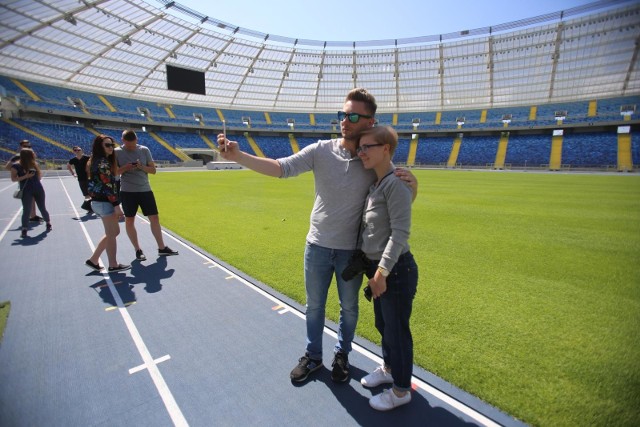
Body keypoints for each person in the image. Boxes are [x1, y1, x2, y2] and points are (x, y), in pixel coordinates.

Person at [216, 88, 418, 384]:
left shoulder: (370, 158)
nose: (344, 121)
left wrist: (414, 186)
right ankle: (313, 356)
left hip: (351, 252)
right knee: (314, 307)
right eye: (342, 114)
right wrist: (239, 156)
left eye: (352, 116)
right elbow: (282, 168)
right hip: (317, 247)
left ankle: (342, 354)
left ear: (370, 121)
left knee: (348, 308)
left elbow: (393, 197)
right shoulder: (321, 150)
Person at [355, 126, 418, 411]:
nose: (362, 152)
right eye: (360, 147)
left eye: (368, 146)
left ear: (386, 149)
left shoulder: (396, 183)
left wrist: (381, 274)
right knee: (384, 325)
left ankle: (402, 391)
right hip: (378, 270)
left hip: (395, 270)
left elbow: (400, 233)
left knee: (397, 331)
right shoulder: (377, 185)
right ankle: (390, 369)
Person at [115, 129, 178, 261]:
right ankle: (138, 250)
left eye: (134, 144)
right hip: (127, 191)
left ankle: (162, 248)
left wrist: (141, 166)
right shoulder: (117, 152)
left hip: (145, 190)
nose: (132, 147)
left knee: (154, 218)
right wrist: (126, 167)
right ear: (123, 141)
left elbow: (153, 170)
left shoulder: (144, 150)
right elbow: (114, 172)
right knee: (130, 220)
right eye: (129, 145)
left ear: (137, 140)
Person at [85, 134, 130, 273]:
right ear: (100, 146)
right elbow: (107, 186)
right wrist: (117, 206)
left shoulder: (96, 161)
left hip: (100, 201)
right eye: (107, 145)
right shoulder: (102, 163)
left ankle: (94, 259)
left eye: (112, 145)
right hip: (105, 201)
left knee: (114, 232)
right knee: (112, 233)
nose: (111, 147)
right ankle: (113, 264)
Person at [10, 148, 51, 238]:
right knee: (27, 210)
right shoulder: (16, 166)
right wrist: (26, 176)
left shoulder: (34, 164)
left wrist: (34, 175)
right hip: (26, 190)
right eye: (33, 153)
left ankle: (48, 222)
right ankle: (24, 229)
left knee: (42, 208)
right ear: (28, 155)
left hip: (38, 189)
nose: (35, 154)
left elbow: (39, 177)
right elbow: (13, 179)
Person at [5, 139, 42, 222]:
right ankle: (29, 216)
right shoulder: (17, 156)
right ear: (21, 147)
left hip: (33, 180)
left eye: (29, 146)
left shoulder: (30, 155)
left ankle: (33, 215)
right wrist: (19, 172)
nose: (28, 148)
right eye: (25, 146)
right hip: (25, 181)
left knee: (33, 199)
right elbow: (7, 167)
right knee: (27, 200)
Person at [66, 146, 92, 212]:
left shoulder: (87, 158)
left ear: (82, 150)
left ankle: (90, 207)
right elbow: (68, 165)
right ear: (74, 151)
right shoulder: (73, 160)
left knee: (91, 193)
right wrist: (73, 173)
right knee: (86, 194)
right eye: (75, 150)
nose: (77, 151)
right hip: (81, 179)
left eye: (79, 150)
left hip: (89, 178)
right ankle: (89, 208)